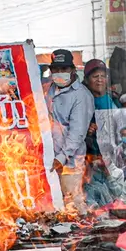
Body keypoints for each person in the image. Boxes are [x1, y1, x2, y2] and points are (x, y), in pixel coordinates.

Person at [46, 49, 95, 208]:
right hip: (48, 160)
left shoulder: (81, 95)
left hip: (70, 162)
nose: (59, 73)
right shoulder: (48, 90)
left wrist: (61, 158)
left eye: (64, 69)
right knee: (52, 206)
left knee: (72, 203)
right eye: (56, 70)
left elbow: (77, 134)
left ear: (73, 70)